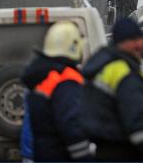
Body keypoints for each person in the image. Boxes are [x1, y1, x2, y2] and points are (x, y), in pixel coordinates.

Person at [82, 18, 143, 161]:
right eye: (134, 39)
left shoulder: (102, 65)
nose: (140, 43)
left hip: (102, 151)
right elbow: (138, 125)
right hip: (123, 152)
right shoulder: (125, 72)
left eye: (140, 38)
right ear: (121, 42)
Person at [21, 21, 92, 161]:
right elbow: (71, 125)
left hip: (36, 153)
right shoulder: (65, 78)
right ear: (74, 46)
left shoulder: (39, 75)